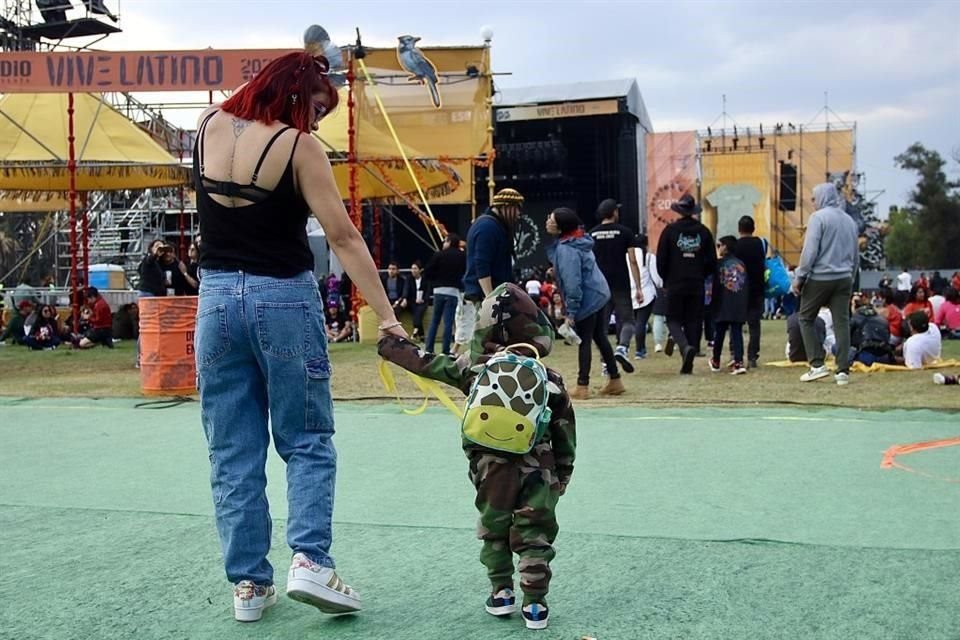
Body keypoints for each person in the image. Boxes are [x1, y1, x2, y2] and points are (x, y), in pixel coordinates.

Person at [191, 50, 407, 623]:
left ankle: (248, 586)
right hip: (281, 297)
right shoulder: (300, 146)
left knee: (231, 449)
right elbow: (342, 236)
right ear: (292, 93)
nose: (318, 119)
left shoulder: (208, 126)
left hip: (214, 300)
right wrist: (387, 319)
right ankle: (310, 560)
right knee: (306, 437)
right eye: (315, 104)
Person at [377, 283, 576, 631]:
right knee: (535, 533)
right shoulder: (550, 379)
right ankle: (535, 605)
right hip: (539, 469)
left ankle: (501, 592)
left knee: (494, 528)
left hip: (488, 469)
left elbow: (426, 363)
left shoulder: (473, 368)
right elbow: (564, 431)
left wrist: (390, 345)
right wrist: (563, 472)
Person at [546, 207, 623, 398]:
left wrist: (571, 313)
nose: (547, 221)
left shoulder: (566, 249)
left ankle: (582, 386)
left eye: (552, 219)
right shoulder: (580, 241)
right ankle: (615, 380)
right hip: (600, 293)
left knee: (585, 340)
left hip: (588, 299)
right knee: (600, 338)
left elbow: (573, 284)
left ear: (561, 227)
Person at [794, 183, 859, 385]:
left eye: (814, 198)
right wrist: (852, 276)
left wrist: (800, 277)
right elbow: (856, 255)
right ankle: (842, 370)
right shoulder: (849, 221)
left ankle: (817, 364)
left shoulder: (818, 218)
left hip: (821, 277)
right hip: (844, 278)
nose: (813, 202)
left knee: (805, 317)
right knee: (842, 323)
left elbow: (810, 251)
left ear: (821, 197)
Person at [656, 194, 717, 374]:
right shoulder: (704, 232)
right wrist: (701, 274)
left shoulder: (670, 231)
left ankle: (684, 347)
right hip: (696, 283)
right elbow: (712, 261)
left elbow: (661, 259)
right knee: (693, 321)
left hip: (675, 282)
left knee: (673, 319)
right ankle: (689, 356)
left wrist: (666, 278)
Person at [460, 188, 524, 346]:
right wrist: (490, 299)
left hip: (494, 294)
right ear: (506, 206)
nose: (518, 214)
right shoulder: (487, 227)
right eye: (516, 209)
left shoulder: (494, 225)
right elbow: (481, 264)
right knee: (490, 344)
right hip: (486, 296)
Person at [588, 198, 641, 373]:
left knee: (601, 328)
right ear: (614, 213)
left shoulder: (592, 234)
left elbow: (589, 262)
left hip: (599, 286)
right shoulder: (625, 232)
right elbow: (633, 261)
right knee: (628, 320)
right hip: (621, 284)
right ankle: (622, 348)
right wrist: (639, 287)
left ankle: (606, 365)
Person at [709, 236, 749, 375]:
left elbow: (714, 285)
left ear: (726, 247)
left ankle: (716, 361)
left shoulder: (718, 264)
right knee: (737, 333)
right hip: (738, 303)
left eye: (719, 245)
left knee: (719, 334)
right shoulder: (741, 264)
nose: (718, 248)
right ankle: (738, 362)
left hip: (722, 303)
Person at [424, 233, 466, 355]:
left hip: (438, 290)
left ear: (448, 242)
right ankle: (446, 350)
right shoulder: (462, 256)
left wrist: (434, 280)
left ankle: (429, 349)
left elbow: (428, 271)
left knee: (435, 320)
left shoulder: (439, 255)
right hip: (453, 291)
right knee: (449, 322)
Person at [734, 216, 766, 368]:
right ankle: (752, 355)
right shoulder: (759, 243)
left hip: (739, 289)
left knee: (736, 324)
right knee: (754, 325)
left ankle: (736, 353)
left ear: (739, 229)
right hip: (757, 288)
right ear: (753, 228)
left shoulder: (736, 246)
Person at [627, 233, 661, 359]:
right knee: (641, 322)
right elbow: (656, 276)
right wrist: (660, 285)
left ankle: (625, 346)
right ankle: (640, 350)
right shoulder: (648, 256)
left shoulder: (625, 256)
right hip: (645, 293)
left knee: (632, 321)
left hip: (628, 293)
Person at [403, 261, 430, 341]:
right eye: (412, 269)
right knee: (416, 313)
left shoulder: (425, 280)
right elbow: (406, 289)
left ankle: (415, 332)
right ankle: (421, 335)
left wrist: (423, 299)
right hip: (412, 301)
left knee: (418, 311)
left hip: (422, 302)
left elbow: (428, 291)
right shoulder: (409, 279)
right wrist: (405, 298)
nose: (413, 271)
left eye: (415, 268)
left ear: (420, 270)